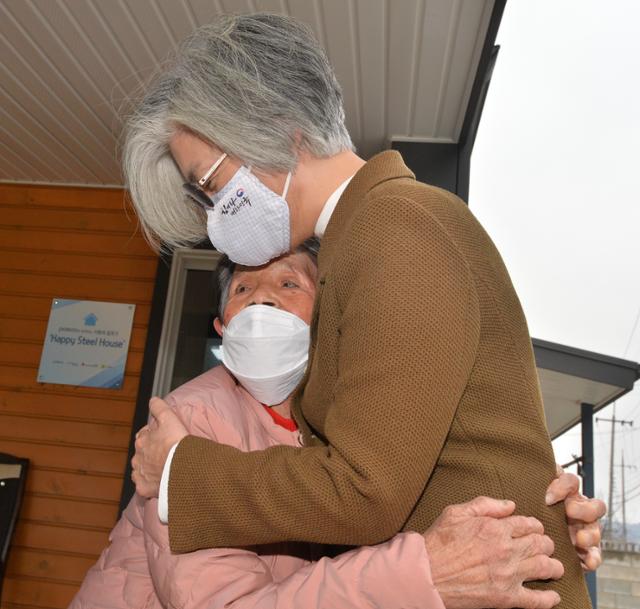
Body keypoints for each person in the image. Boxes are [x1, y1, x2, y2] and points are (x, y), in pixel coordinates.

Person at [127, 14, 605, 608]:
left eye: (210, 185)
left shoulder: (396, 225)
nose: (213, 214)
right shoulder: (363, 242)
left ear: (280, 130)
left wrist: (180, 470)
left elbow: (364, 488)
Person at [72, 246, 595, 608]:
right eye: (243, 289)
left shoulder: (357, 419)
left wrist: (533, 515)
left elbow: (406, 510)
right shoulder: (187, 424)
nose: (262, 299)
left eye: (289, 282)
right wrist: (423, 573)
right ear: (222, 327)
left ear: (327, 315)